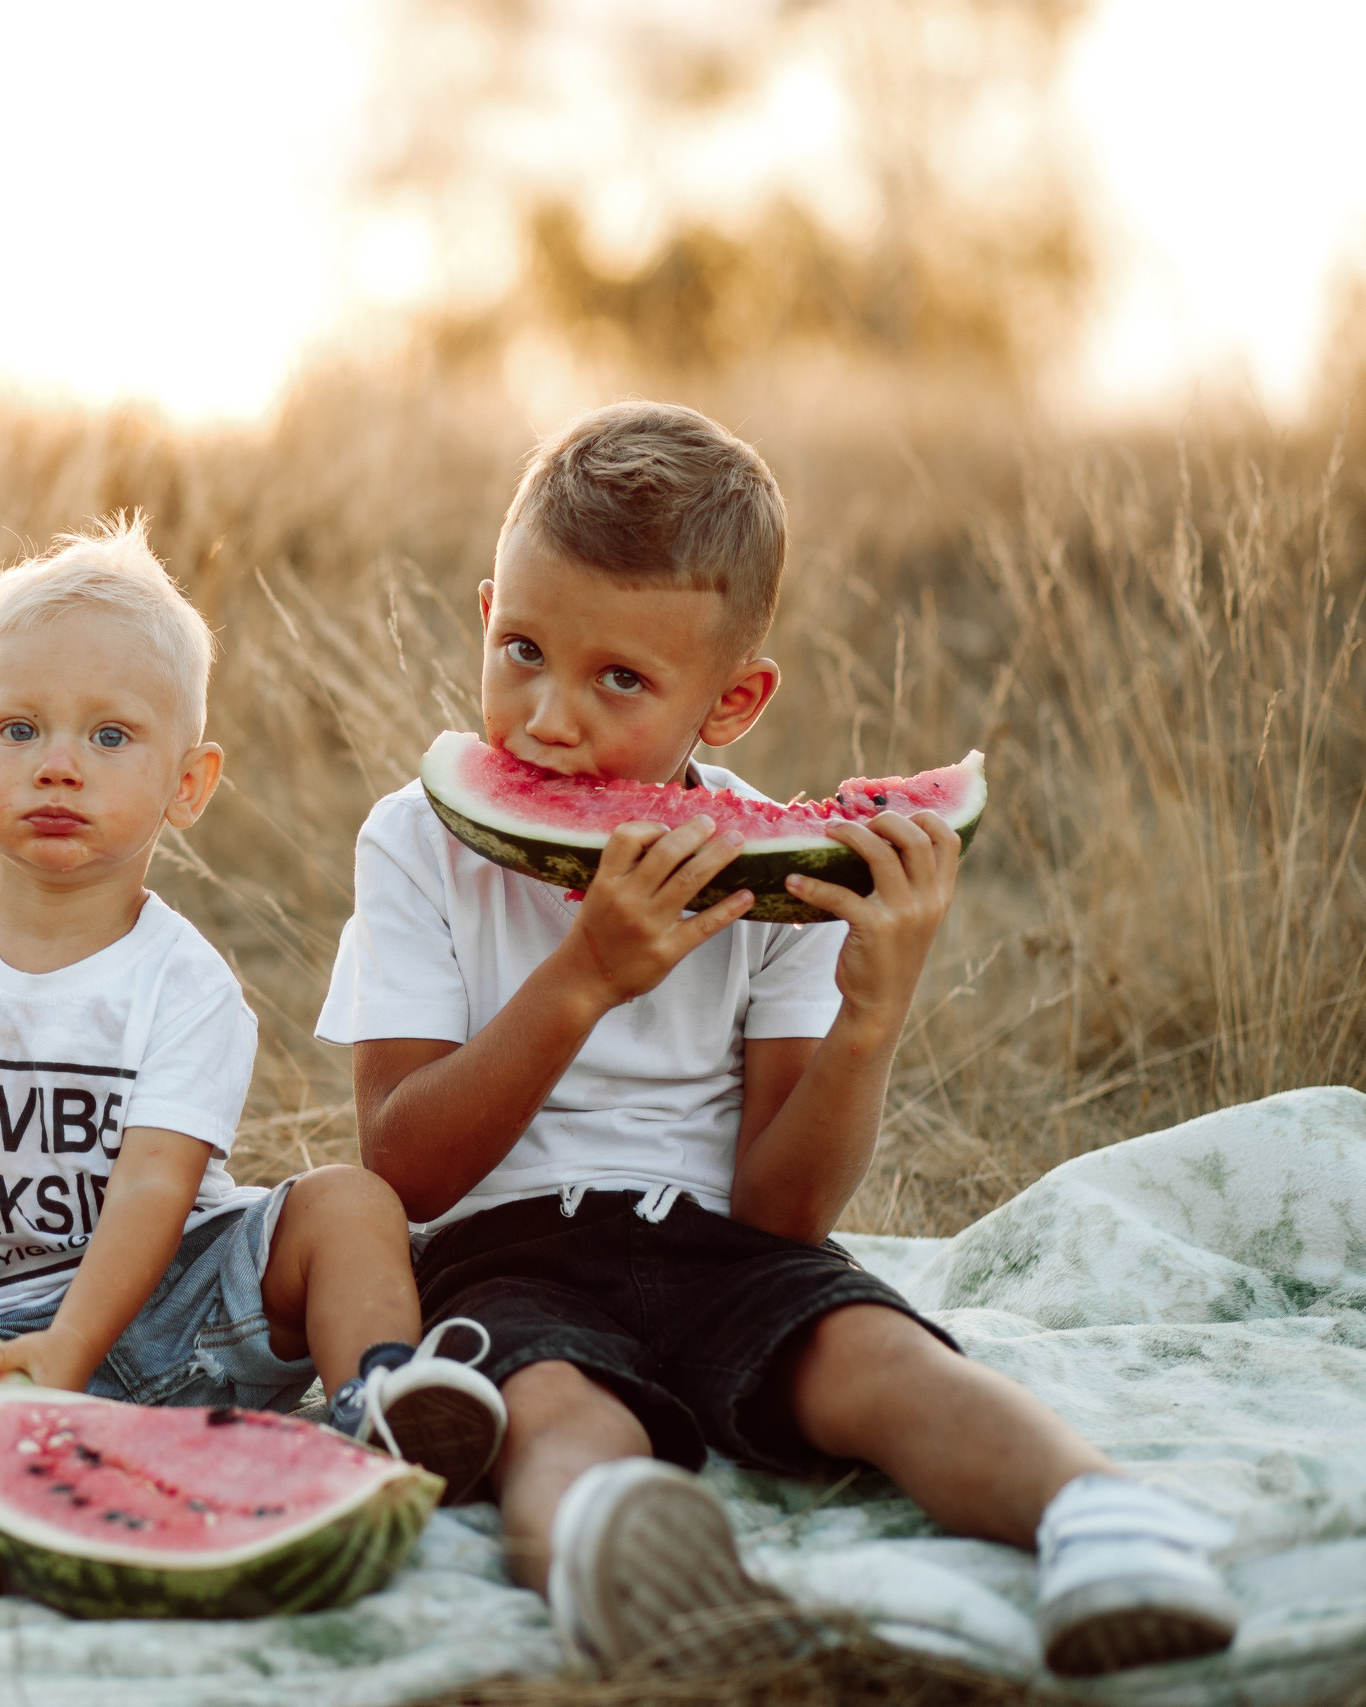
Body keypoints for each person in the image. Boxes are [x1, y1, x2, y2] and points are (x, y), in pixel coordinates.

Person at [318, 403, 1238, 1678]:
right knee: (546, 1408)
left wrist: (872, 1009)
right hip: (499, 1249)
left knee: (879, 1355)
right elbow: (400, 1166)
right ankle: (613, 1548)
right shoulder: (414, 841)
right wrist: (580, 980)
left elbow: (784, 1205)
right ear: (486, 611)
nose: (547, 719)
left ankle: (1103, 1517)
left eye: (620, 679)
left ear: (733, 699)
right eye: (521, 648)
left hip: (725, 1243)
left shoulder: (791, 871)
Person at [0, 517, 505, 1595]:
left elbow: (157, 1187)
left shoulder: (184, 982)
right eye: (17, 729)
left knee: (348, 1202)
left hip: (175, 1318)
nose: (59, 765)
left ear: (189, 783)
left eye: (111, 737)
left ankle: (383, 1407)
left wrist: (76, 1344)